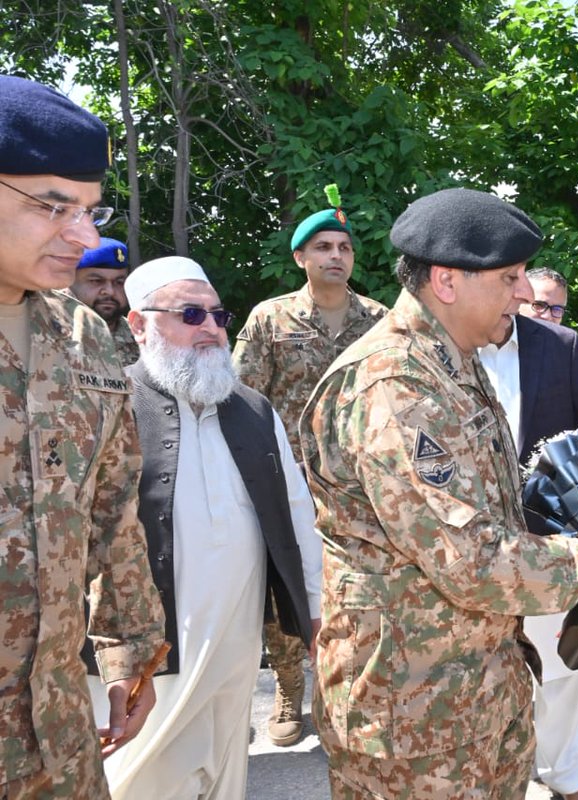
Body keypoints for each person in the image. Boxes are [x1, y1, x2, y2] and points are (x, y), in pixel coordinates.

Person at [300, 187, 578, 799]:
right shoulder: (397, 386)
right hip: (414, 718)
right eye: (510, 277)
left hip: (473, 693)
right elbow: (471, 560)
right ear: (447, 282)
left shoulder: (455, 361)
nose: (524, 294)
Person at [88, 256, 323, 800]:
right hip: (148, 651)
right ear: (139, 325)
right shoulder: (109, 404)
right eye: (191, 314)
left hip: (236, 642)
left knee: (222, 774)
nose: (212, 329)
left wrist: (315, 612)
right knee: (137, 781)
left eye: (219, 315)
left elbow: (297, 517)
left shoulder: (253, 408)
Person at [0, 73, 166, 799]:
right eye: (53, 206)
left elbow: (114, 505)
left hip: (58, 732)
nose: (84, 236)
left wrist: (129, 649)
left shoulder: (84, 343)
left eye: (90, 210)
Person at [232, 195, 386, 747]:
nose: (335, 256)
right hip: (288, 480)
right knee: (287, 589)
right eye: (323, 247)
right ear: (301, 257)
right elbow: (241, 399)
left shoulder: (380, 319)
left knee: (354, 586)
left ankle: (343, 690)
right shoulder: (269, 318)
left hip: (358, 485)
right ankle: (288, 687)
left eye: (344, 247)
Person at [479, 288, 578, 800]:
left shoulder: (561, 346)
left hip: (548, 539)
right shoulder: (444, 342)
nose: (521, 296)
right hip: (468, 544)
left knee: (560, 668)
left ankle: (564, 775)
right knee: (479, 671)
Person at [70, 236, 140, 366]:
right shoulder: (50, 330)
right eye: (96, 281)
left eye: (119, 282)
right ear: (70, 281)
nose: (110, 291)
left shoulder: (140, 337)